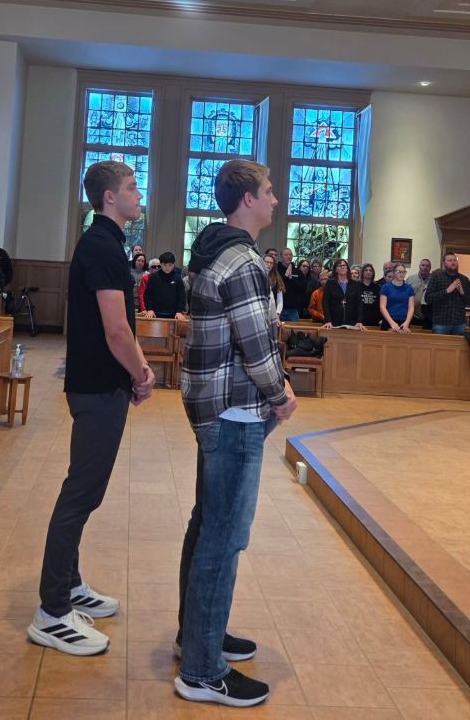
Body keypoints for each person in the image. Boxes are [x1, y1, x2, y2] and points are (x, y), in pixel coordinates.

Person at [175, 159, 297, 708]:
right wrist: (282, 393)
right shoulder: (244, 260)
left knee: (207, 525)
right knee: (223, 538)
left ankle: (197, 637)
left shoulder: (215, 251)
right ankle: (202, 671)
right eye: (268, 191)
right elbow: (255, 345)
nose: (275, 199)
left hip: (215, 407)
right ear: (247, 199)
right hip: (236, 412)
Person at [29, 160, 155, 656]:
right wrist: (140, 373)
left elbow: (121, 325)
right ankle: (52, 611)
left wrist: (135, 371)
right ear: (108, 197)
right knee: (80, 495)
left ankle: (70, 582)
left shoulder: (106, 242)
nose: (139, 194)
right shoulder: (102, 246)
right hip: (99, 386)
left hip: (101, 384)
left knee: (85, 492)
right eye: (131, 187)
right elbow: (116, 330)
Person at [425, 252, 470, 335]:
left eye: (455, 260)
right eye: (449, 260)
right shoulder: (436, 277)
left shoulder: (464, 280)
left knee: (458, 344)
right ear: (444, 263)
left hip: (459, 323)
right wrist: (446, 291)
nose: (453, 262)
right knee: (439, 344)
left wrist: (463, 293)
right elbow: (428, 298)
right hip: (441, 323)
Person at [321, 259, 364, 329]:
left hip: (351, 320)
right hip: (333, 321)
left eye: (344, 265)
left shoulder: (355, 284)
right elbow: (325, 302)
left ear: (347, 268)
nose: (342, 267)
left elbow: (359, 303)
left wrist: (359, 320)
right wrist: (327, 320)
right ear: (335, 269)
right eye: (339, 266)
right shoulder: (330, 283)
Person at [143, 251, 186, 320]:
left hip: (174, 314)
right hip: (155, 313)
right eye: (165, 265)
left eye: (170, 265)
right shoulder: (153, 277)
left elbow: (181, 296)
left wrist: (179, 311)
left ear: (173, 264)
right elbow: (147, 295)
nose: (167, 268)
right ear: (161, 264)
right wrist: (149, 309)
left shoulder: (177, 278)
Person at [380, 263, 415, 332]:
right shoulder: (386, 287)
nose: (401, 274)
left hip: (404, 321)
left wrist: (407, 322)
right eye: (399, 272)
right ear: (393, 273)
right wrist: (392, 323)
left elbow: (411, 307)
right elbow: (382, 307)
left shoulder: (409, 288)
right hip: (388, 320)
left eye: (403, 272)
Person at [276, 248, 304, 323]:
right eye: (286, 255)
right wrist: (285, 276)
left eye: (290, 255)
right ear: (281, 257)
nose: (289, 256)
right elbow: (276, 286)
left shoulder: (298, 271)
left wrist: (291, 278)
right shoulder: (276, 270)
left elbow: (303, 289)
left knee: (294, 330)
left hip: (293, 309)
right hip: (278, 309)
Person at [407, 258, 432, 323]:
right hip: (412, 315)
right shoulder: (410, 279)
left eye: (427, 266)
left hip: (429, 316)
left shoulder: (434, 280)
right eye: (423, 265)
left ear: (430, 268)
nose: (425, 267)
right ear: (419, 266)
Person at [359, 263, 382, 327]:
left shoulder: (377, 287)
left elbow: (379, 304)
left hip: (374, 319)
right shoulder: (356, 286)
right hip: (360, 319)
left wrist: (380, 318)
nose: (368, 272)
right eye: (366, 270)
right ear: (362, 272)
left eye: (370, 270)